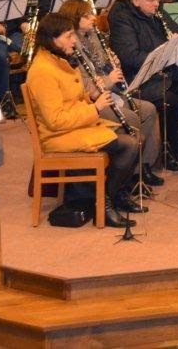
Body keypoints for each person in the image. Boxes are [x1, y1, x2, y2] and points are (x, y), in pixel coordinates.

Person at [24, 13, 140, 228]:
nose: (74, 40)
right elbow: (55, 121)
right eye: (69, 36)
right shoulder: (43, 72)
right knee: (129, 145)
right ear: (52, 39)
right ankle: (104, 203)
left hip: (76, 127)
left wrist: (92, 95)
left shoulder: (62, 61)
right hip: (58, 136)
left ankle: (111, 197)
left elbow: (73, 98)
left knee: (130, 134)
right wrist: (95, 109)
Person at [59, 0, 164, 190]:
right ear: (74, 19)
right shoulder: (71, 48)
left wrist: (114, 66)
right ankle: (127, 175)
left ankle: (142, 167)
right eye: (87, 15)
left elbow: (105, 70)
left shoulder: (94, 37)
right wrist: (109, 79)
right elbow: (86, 87)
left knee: (148, 109)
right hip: (91, 102)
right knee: (132, 117)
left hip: (109, 93)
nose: (93, 18)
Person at [108, 0, 178, 170]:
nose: (156, 4)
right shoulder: (122, 18)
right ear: (136, 1)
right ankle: (168, 150)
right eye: (151, 0)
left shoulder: (157, 12)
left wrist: (177, 40)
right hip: (139, 79)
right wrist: (163, 56)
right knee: (171, 102)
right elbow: (130, 57)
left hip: (165, 72)